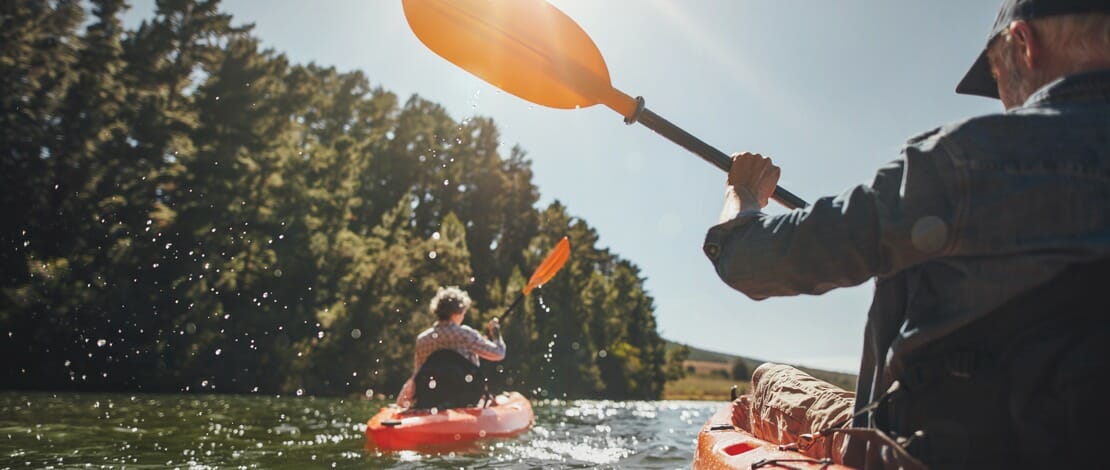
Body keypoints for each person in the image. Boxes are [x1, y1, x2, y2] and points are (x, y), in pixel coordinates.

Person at [703, 0, 1110, 468]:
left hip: (927, 451)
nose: (1004, 102)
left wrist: (744, 194)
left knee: (770, 380)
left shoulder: (956, 166)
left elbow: (748, 260)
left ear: (1024, 43)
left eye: (998, 78)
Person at [395, 286, 505, 408]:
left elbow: (417, 374)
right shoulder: (465, 335)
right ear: (457, 313)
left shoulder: (423, 339)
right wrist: (496, 333)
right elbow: (499, 353)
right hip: (466, 398)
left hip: (432, 398)